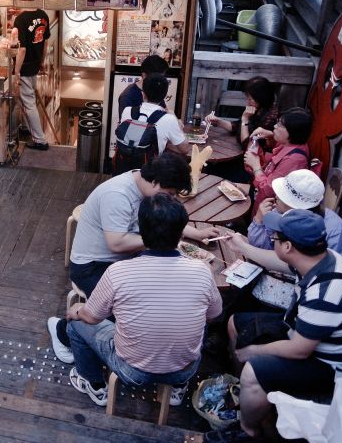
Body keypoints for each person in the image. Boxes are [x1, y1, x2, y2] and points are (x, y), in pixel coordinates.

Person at [209, 209, 342, 442]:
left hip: (331, 370)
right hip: (306, 334)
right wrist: (243, 247)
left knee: (252, 369)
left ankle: (248, 429)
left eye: (275, 238)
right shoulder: (320, 258)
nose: (272, 240)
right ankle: (247, 395)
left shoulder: (326, 293)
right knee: (235, 323)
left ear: (288, 247)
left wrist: (254, 351)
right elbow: (280, 262)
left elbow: (299, 349)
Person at [47, 153, 220, 363]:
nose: (171, 199)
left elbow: (160, 219)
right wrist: (162, 238)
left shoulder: (145, 189)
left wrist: (194, 233)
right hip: (92, 265)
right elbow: (116, 243)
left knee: (155, 303)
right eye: (170, 193)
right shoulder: (117, 195)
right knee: (120, 315)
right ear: (155, 181)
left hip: (123, 261)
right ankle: (61, 332)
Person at [63, 194, 223, 408]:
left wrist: (77, 311)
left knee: (76, 324)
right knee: (200, 319)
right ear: (180, 233)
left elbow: (91, 317)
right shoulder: (203, 271)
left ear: (141, 231)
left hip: (132, 372)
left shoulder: (117, 272)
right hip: (185, 368)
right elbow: (214, 315)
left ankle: (93, 382)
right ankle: (178, 385)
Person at [228, 170, 342, 271]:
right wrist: (259, 220)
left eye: (282, 197)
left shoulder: (334, 230)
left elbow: (300, 265)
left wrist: (243, 247)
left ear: (294, 206)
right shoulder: (279, 212)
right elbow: (260, 245)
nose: (276, 198)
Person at [244, 107, 313, 215]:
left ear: (292, 132)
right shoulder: (293, 143)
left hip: (268, 211)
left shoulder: (294, 160)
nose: (275, 126)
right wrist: (270, 135)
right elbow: (276, 151)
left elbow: (268, 190)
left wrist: (255, 165)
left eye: (280, 125)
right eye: (277, 122)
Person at [119, 73, 190, 156]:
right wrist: (177, 122)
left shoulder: (127, 111)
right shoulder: (169, 119)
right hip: (150, 168)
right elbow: (185, 149)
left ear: (143, 94)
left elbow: (133, 141)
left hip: (123, 166)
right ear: (165, 96)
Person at [13, 8, 51, 150]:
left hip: (25, 66)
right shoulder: (43, 14)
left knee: (28, 102)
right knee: (28, 99)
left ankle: (40, 140)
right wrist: (41, 60)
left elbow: (21, 49)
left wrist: (16, 71)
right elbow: (45, 42)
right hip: (35, 63)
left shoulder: (21, 19)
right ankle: (26, 126)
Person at [206, 76, 279, 149]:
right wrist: (218, 121)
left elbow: (247, 145)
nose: (247, 102)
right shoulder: (256, 110)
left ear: (261, 98)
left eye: (250, 99)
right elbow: (236, 127)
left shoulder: (270, 118)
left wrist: (245, 119)